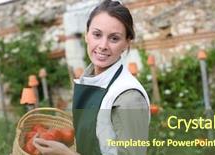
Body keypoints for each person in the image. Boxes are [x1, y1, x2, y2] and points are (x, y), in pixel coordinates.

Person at [33, 0, 150, 154]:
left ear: (126, 43)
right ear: (86, 35)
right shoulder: (88, 80)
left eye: (114, 38)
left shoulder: (129, 97)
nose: (103, 45)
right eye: (97, 34)